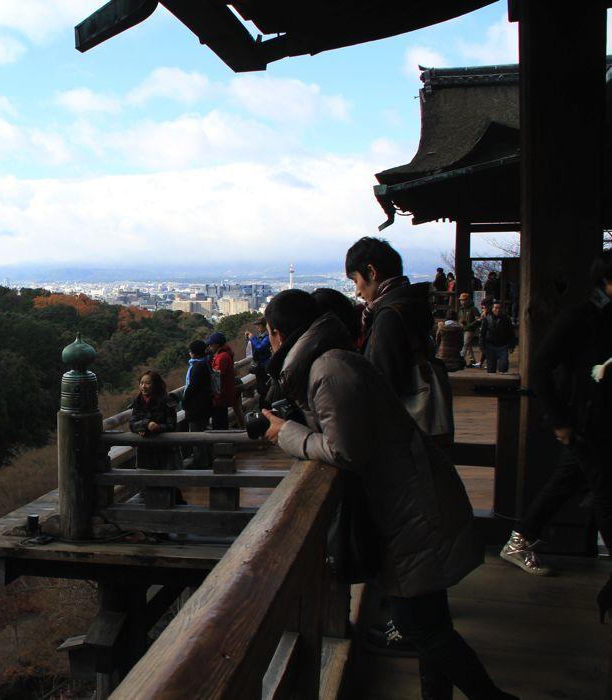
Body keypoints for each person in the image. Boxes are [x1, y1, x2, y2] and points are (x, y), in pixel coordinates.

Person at [260, 289, 517, 700]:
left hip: (409, 510)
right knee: (430, 625)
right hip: (411, 501)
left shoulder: (327, 370)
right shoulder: (335, 360)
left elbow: (345, 450)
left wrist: (286, 433)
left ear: (276, 333)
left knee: (418, 624)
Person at [500, 252, 612, 624]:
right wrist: (560, 419)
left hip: (597, 421)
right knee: (604, 491)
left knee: (569, 481)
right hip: (587, 421)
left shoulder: (601, 315)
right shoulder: (580, 317)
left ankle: (519, 540)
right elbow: (541, 367)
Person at [346, 237, 438, 404]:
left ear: (372, 272)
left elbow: (382, 384)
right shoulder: (412, 304)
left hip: (399, 421)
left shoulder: (389, 316)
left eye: (355, 281)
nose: (357, 292)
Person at [129, 370, 179, 470]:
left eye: (147, 383)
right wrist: (146, 425)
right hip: (145, 451)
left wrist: (157, 427)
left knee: (165, 481)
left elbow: (171, 425)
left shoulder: (166, 401)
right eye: (141, 383)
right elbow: (132, 424)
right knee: (146, 480)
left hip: (164, 450)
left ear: (155, 384)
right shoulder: (138, 402)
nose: (144, 386)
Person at [181, 340, 213, 468]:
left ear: (193, 353)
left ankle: (202, 463)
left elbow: (191, 387)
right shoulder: (205, 363)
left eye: (190, 351)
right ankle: (208, 460)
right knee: (204, 434)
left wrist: (184, 402)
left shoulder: (197, 367)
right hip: (204, 405)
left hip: (196, 408)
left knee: (197, 436)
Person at [206, 332, 237, 430]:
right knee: (222, 419)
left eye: (211, 344)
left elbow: (217, 378)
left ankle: (222, 441)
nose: (209, 346)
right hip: (224, 393)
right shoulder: (224, 353)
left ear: (218, 344)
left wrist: (215, 396)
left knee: (219, 421)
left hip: (220, 396)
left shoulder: (221, 357)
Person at [479, 301, 515, 374]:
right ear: (492, 309)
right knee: (491, 369)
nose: (497, 310)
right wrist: (482, 346)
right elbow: (482, 333)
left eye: (499, 308)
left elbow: (511, 333)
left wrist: (512, 345)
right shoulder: (487, 319)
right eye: (495, 308)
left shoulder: (506, 319)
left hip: (503, 345)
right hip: (490, 345)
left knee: (503, 366)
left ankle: (502, 384)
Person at [457, 292, 481, 367]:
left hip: (471, 330)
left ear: (468, 300)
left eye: (463, 300)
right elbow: (459, 318)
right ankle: (472, 360)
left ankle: (460, 360)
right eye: (461, 300)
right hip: (463, 329)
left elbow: (478, 320)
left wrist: (470, 325)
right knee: (468, 345)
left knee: (465, 344)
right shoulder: (461, 309)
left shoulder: (473, 309)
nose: (462, 302)